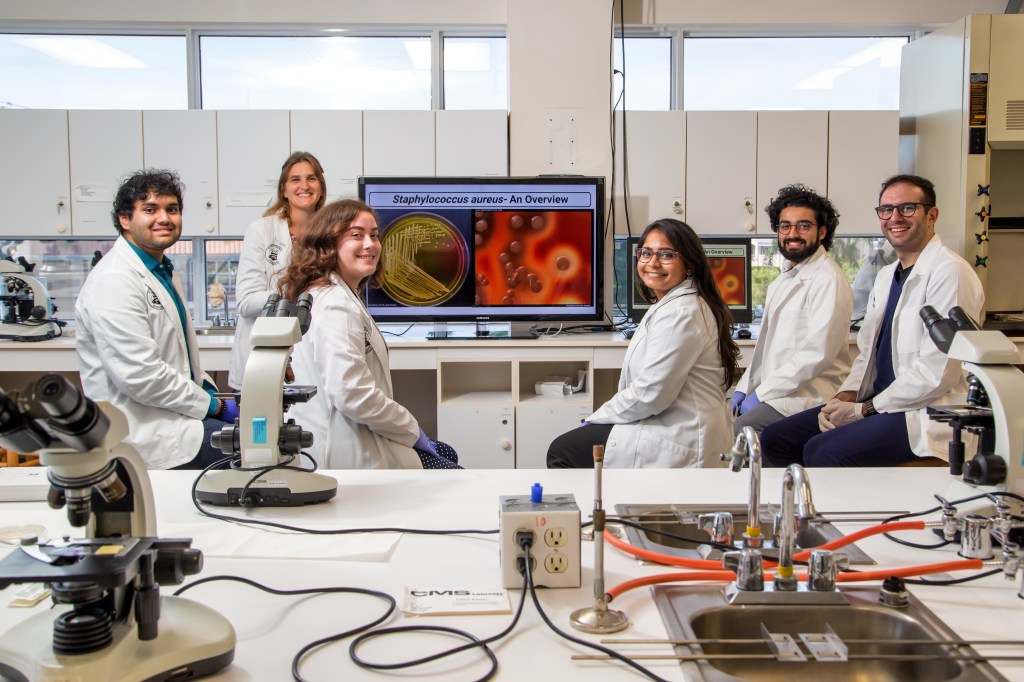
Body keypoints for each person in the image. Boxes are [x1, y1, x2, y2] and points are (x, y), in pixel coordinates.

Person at [760, 174, 985, 467]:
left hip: (924, 410)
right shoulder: (886, 276)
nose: (895, 218)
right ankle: (806, 509)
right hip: (882, 402)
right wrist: (843, 398)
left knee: (822, 452)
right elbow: (867, 355)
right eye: (886, 210)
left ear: (931, 215)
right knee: (777, 439)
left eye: (907, 208)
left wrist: (864, 409)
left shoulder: (949, 272)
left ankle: (849, 511)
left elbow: (936, 373)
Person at [279, 199, 459, 469]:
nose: (370, 244)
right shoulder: (335, 304)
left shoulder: (335, 294)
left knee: (447, 452)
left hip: (351, 436)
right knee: (454, 473)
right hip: (347, 451)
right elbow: (353, 394)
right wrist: (412, 430)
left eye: (374, 235)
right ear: (329, 244)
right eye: (356, 235)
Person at [76, 170, 238, 469]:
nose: (164, 218)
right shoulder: (115, 280)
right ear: (125, 219)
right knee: (255, 454)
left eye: (172, 209)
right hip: (146, 435)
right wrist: (215, 406)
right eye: (150, 210)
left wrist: (209, 390)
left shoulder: (161, 270)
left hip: (173, 420)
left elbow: (178, 358)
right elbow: (141, 376)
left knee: (259, 443)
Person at [547, 218, 739, 468]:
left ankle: (597, 506)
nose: (653, 263)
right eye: (646, 253)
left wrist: (597, 417)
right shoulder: (676, 303)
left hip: (679, 434)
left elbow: (650, 394)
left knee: (562, 451)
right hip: (676, 423)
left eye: (666, 255)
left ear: (689, 265)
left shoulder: (681, 312)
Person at [730, 184, 853, 435]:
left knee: (745, 428)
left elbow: (816, 355)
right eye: (785, 226)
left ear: (822, 232)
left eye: (803, 226)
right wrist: (744, 387)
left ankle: (773, 476)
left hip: (811, 395)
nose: (792, 233)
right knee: (727, 417)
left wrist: (760, 394)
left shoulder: (828, 279)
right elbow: (764, 350)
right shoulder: (784, 280)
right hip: (782, 391)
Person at [228, 151, 327, 391]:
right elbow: (246, 302)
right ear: (283, 189)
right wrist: (296, 292)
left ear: (321, 188)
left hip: (316, 353)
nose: (304, 185)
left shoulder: (330, 235)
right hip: (264, 355)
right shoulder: (262, 230)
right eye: (295, 179)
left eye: (311, 178)